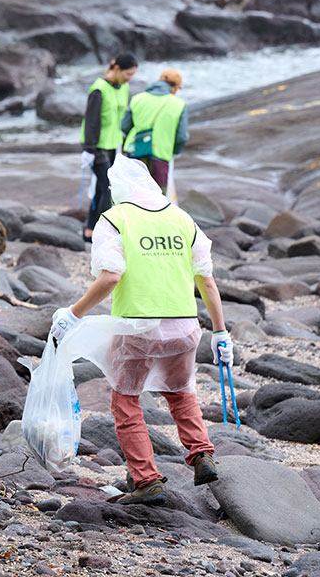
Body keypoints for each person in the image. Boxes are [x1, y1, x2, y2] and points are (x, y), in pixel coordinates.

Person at [50, 154, 232, 506]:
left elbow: (110, 276)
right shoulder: (182, 219)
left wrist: (73, 314)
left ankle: (146, 480)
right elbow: (207, 281)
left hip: (139, 327)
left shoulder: (115, 220)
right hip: (184, 326)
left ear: (118, 189)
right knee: (180, 391)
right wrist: (221, 333)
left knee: (126, 401)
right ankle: (202, 454)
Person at [80, 53, 138, 241]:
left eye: (132, 75)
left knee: (102, 188)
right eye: (128, 74)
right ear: (117, 69)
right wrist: (89, 149)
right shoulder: (98, 90)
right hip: (96, 146)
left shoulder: (123, 87)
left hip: (113, 144)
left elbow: (122, 116)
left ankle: (90, 229)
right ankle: (104, 231)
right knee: (107, 187)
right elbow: (91, 121)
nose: (129, 78)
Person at [121, 69, 189, 193]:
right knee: (157, 199)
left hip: (135, 151)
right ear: (175, 87)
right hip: (160, 156)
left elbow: (125, 125)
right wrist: (174, 151)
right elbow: (182, 137)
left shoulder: (137, 98)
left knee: (133, 195)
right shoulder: (179, 104)